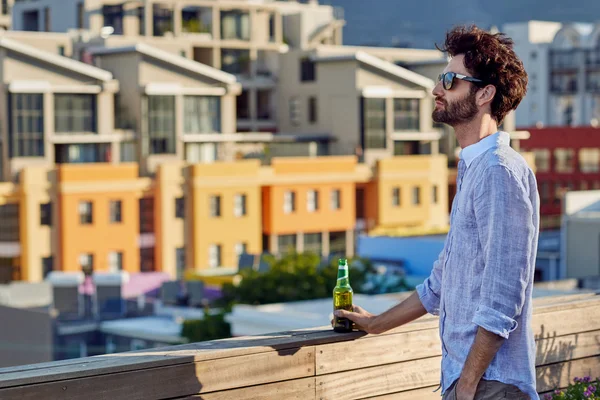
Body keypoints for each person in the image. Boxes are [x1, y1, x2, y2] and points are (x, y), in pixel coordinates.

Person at [334, 25, 538, 400]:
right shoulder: (474, 168)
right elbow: (440, 286)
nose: (436, 89)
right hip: (473, 383)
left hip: (490, 386)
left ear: (485, 94)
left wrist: (468, 384)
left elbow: (503, 295)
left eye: (449, 80)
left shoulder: (497, 171)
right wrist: (375, 324)